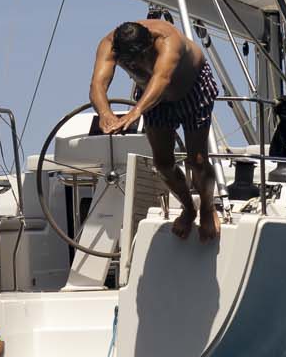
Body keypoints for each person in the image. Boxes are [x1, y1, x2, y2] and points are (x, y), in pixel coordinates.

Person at [89, 16, 221, 241]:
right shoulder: (108, 46)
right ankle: (189, 208)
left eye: (144, 57)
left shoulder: (167, 39)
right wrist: (105, 114)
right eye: (132, 63)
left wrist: (135, 112)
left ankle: (208, 208)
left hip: (192, 90)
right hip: (154, 100)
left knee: (197, 160)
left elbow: (161, 78)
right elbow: (97, 85)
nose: (140, 65)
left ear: (150, 43)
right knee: (163, 164)